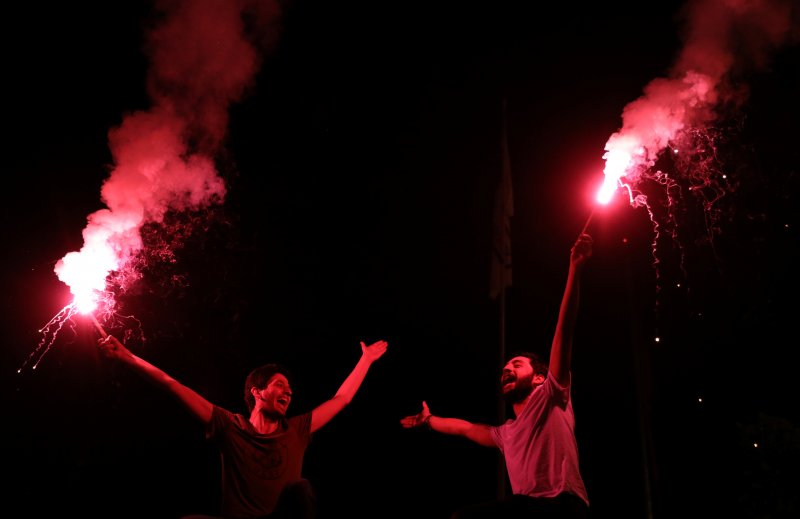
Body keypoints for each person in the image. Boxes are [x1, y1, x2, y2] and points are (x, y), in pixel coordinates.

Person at [400, 233, 593, 518]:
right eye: (505, 368)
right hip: (529, 509)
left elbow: (564, 332)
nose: (507, 369)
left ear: (539, 377)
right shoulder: (506, 434)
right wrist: (429, 421)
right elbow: (465, 428)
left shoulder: (552, 394)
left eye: (516, 364)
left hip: (563, 505)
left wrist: (575, 268)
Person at [95, 333, 388, 519]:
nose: (288, 392)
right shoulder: (228, 426)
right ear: (257, 393)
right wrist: (129, 358)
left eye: (290, 389)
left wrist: (366, 360)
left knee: (301, 489)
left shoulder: (297, 429)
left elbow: (343, 398)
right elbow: (172, 385)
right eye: (279, 385)